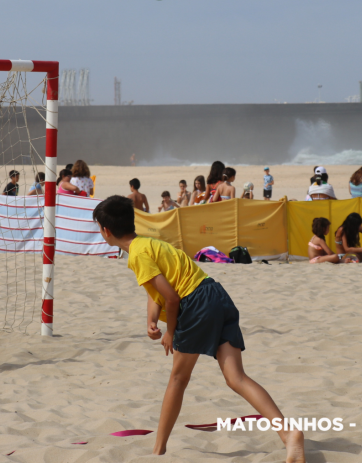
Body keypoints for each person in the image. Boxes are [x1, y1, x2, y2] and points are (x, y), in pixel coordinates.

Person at [92, 196, 306, 460]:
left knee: (178, 380)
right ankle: (288, 433)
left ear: (106, 231)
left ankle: (158, 450)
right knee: (236, 378)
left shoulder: (136, 254)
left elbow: (171, 297)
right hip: (215, 294)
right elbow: (156, 291)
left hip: (194, 305)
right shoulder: (151, 243)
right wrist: (151, 318)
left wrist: (170, 331)